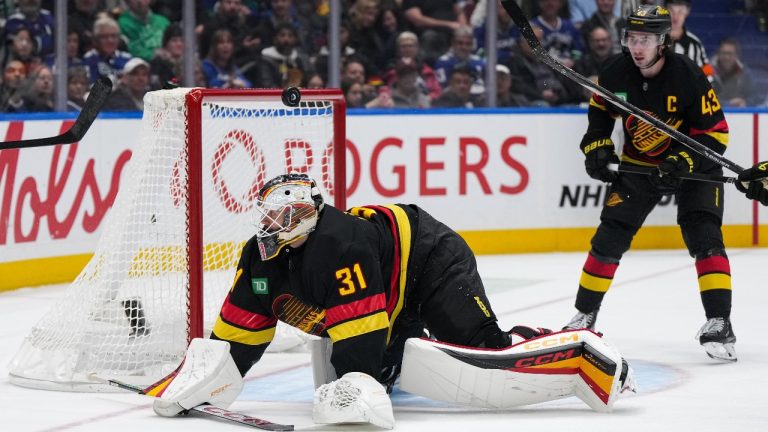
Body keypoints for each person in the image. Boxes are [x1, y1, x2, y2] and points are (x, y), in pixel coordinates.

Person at [149, 173, 634, 427]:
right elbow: (237, 335)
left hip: (427, 261)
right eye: (270, 215)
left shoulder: (340, 245)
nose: (275, 225)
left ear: (309, 212)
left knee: (485, 351)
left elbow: (360, 335)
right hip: (389, 293)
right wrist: (199, 381)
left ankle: (578, 349)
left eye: (288, 213)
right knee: (385, 360)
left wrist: (356, 379)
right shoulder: (258, 258)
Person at [563, 5, 737, 363]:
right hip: (640, 165)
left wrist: (683, 160)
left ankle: (719, 321)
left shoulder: (687, 75)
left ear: (663, 42)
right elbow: (600, 110)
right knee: (610, 236)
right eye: (632, 38)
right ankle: (584, 315)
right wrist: (596, 144)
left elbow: (716, 134)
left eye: (645, 39)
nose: (637, 47)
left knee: (704, 234)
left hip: (693, 166)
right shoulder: (615, 70)